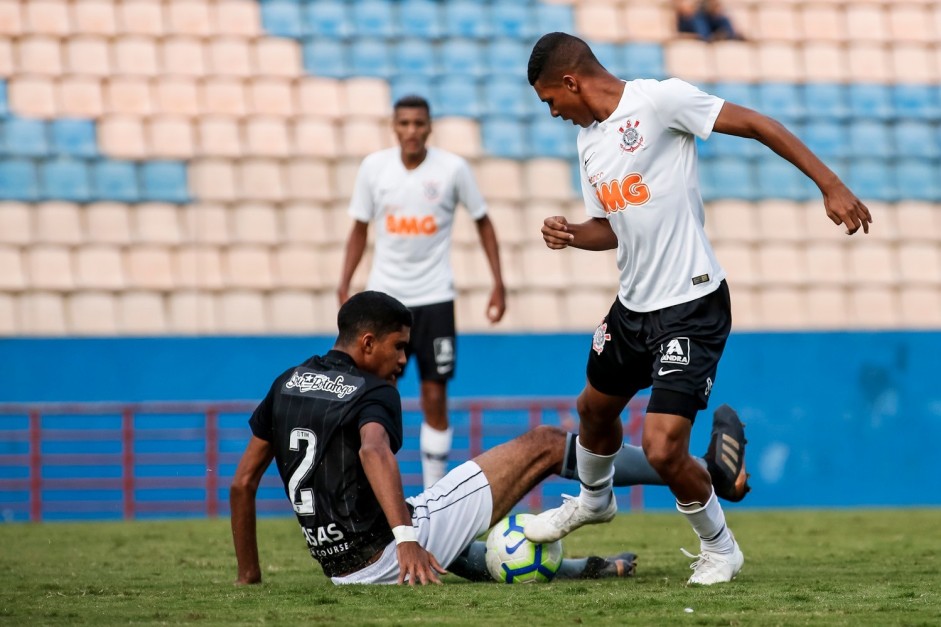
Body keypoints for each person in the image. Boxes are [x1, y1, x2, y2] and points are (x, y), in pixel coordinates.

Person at [523, 32, 871, 585]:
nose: (553, 113)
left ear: (570, 82)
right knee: (592, 411)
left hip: (691, 303)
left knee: (663, 448)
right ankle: (594, 500)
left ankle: (721, 547)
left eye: (550, 101)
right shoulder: (590, 143)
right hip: (632, 308)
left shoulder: (658, 102)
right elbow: (610, 229)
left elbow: (760, 124)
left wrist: (830, 185)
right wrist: (570, 234)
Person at [229, 291, 748, 585]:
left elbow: (242, 483)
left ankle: (581, 568)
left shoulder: (287, 382)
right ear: (367, 343)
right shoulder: (372, 391)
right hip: (389, 551)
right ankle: (703, 470)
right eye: (399, 347)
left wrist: (249, 576)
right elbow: (372, 449)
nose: (404, 362)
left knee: (446, 539)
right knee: (545, 442)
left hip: (341, 570)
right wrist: (406, 541)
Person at [338, 95, 506, 489]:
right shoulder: (374, 169)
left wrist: (498, 283)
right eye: (404, 123)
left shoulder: (452, 169)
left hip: (434, 298)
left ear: (429, 127)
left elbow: (483, 221)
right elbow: (359, 228)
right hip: (384, 300)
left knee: (434, 394)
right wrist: (344, 283)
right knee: (375, 393)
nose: (412, 130)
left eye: (419, 123)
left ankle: (434, 491)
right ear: (394, 127)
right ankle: (373, 486)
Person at [675, 0, 743, 42]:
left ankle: (731, 35)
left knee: (723, 18)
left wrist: (714, 8)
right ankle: (708, 38)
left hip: (706, 18)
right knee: (698, 19)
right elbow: (684, 9)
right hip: (690, 20)